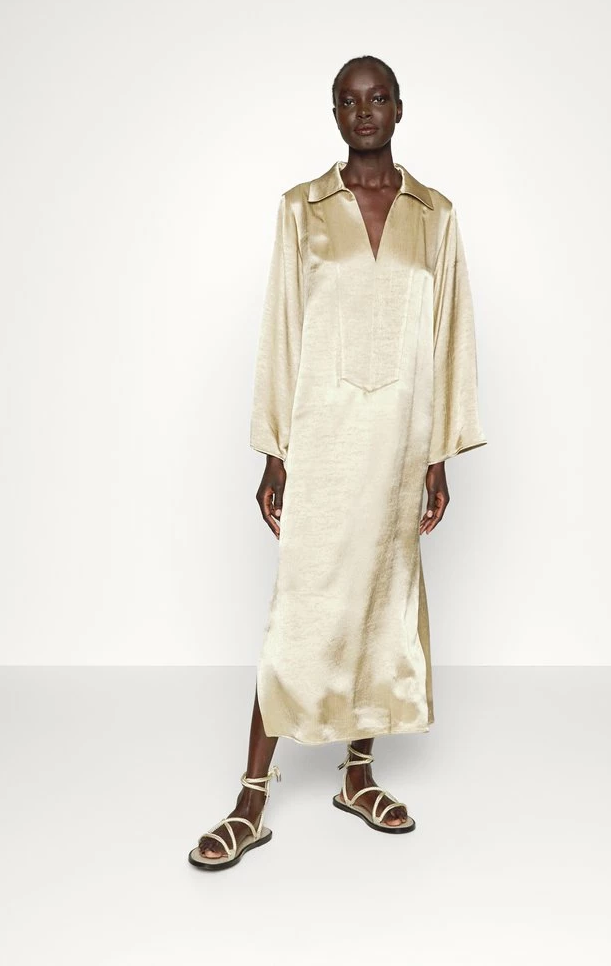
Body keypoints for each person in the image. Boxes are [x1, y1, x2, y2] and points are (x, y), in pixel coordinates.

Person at [188, 54, 487, 870]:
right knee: (303, 609)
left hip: (399, 441)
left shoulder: (436, 215)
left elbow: (450, 330)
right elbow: (282, 325)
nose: (364, 112)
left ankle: (357, 774)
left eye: (377, 97)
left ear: (399, 108)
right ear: (334, 112)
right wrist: (274, 451)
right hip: (322, 436)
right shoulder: (303, 208)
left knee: (381, 602)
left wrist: (440, 455)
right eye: (349, 101)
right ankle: (252, 798)